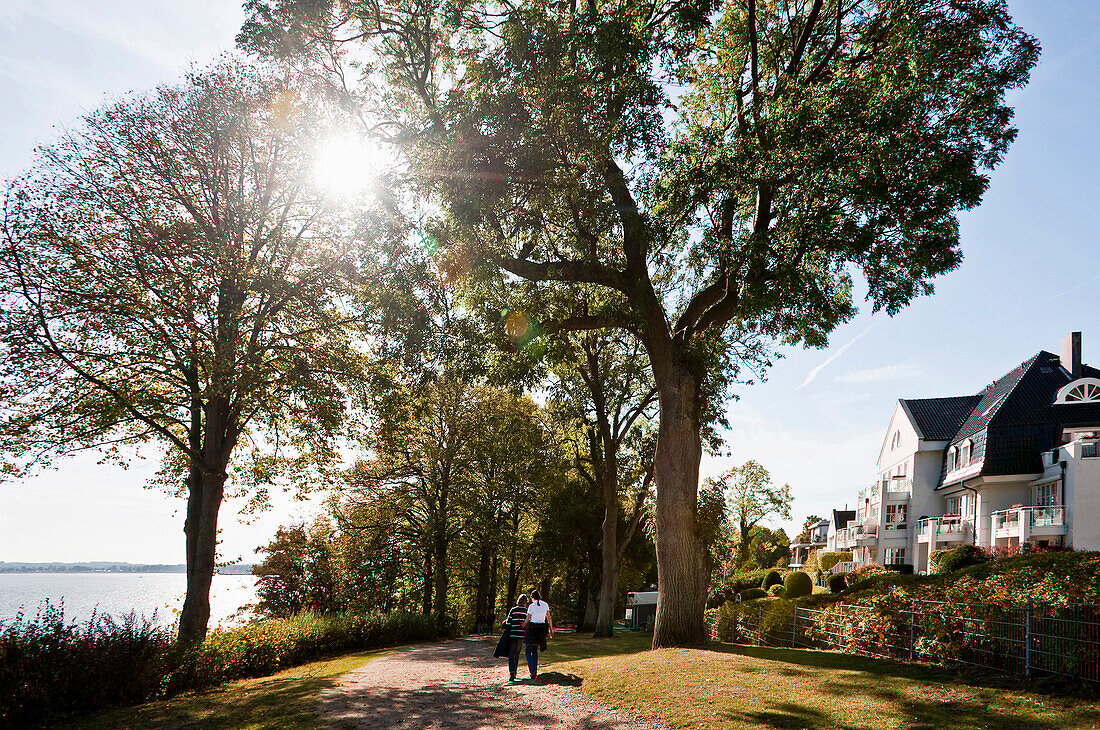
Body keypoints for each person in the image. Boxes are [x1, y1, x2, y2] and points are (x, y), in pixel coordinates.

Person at [522, 589, 553, 679]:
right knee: (534, 650)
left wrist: (523, 624)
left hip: (532, 628)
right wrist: (551, 629)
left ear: (532, 597)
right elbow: (548, 618)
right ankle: (534, 670)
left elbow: (528, 618)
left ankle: (532, 670)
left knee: (528, 650)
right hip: (541, 629)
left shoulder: (531, 606)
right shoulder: (545, 604)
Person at [504, 594, 530, 682]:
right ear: (525, 602)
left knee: (511, 653)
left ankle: (511, 672)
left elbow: (508, 622)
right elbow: (527, 623)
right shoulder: (526, 611)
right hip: (521, 635)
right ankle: (515, 671)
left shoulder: (513, 610)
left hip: (512, 634)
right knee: (517, 653)